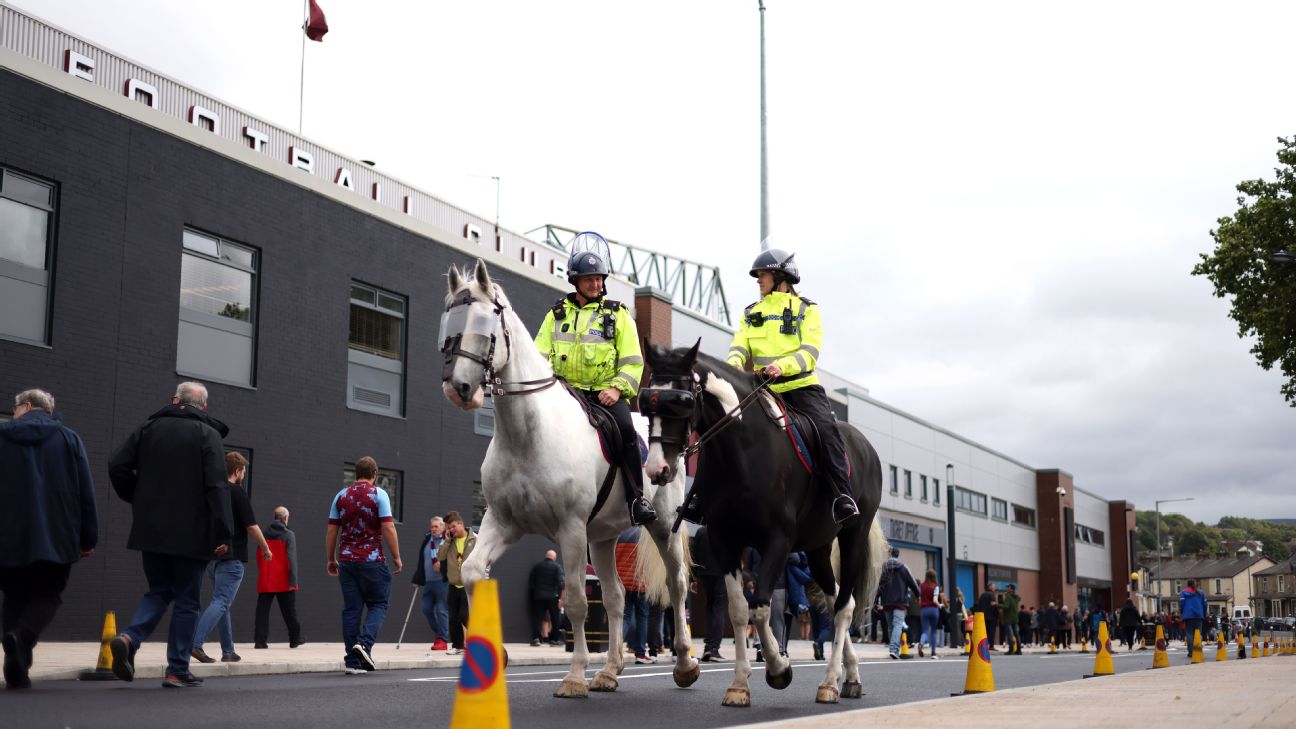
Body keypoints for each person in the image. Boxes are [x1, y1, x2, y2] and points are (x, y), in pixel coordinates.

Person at [108, 381, 234, 688]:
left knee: (159, 590)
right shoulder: (208, 434)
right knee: (188, 600)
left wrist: (138, 498)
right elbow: (217, 486)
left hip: (151, 529)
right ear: (203, 407)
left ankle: (129, 636)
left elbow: (117, 466)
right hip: (192, 533)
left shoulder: (147, 429)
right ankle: (177, 669)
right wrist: (224, 532)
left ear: (174, 400)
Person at [721, 249, 857, 524]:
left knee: (826, 432)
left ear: (780, 276)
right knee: (722, 426)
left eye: (763, 275)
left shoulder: (808, 310)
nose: (758, 281)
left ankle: (842, 496)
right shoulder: (751, 312)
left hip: (800, 388)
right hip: (762, 390)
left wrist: (782, 366)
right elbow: (739, 345)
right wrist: (733, 365)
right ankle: (703, 497)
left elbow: (809, 351)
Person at [533, 232, 655, 526]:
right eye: (590, 279)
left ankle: (637, 499)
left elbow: (633, 361)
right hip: (565, 395)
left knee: (626, 430)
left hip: (604, 395)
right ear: (575, 281)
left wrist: (617, 388)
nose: (597, 284)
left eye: (600, 278)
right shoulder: (556, 315)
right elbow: (539, 357)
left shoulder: (618, 315)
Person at [0, 388, 97, 690]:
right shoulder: (69, 439)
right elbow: (85, 492)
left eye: (15, 407)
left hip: (8, 534)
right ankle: (22, 638)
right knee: (48, 594)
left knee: (14, 595)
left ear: (26, 406)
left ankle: (17, 669)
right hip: (56, 535)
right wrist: (88, 537)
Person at [191, 451, 271, 664]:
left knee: (222, 602)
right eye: (243, 471)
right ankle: (195, 643)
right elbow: (251, 526)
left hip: (212, 559)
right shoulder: (237, 492)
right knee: (221, 601)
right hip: (231, 559)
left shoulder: (213, 492)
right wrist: (265, 547)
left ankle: (228, 650)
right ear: (237, 471)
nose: (244, 474)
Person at [326, 456, 402, 675]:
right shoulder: (379, 494)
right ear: (374, 474)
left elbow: (332, 530)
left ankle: (353, 661)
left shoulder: (340, 496)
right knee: (379, 604)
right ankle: (365, 644)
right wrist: (396, 556)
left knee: (351, 610)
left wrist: (331, 559)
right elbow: (388, 527)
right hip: (372, 561)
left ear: (355, 473)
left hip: (347, 562)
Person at [254, 506, 302, 649]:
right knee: (289, 611)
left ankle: (260, 641)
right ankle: (295, 640)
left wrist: (264, 571)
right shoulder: (288, 534)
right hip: (283, 580)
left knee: (262, 612)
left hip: (266, 578)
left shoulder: (263, 534)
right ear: (285, 518)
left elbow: (259, 555)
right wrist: (293, 581)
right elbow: (291, 559)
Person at [437, 511, 476, 656]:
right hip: (453, 583)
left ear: (461, 523)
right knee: (453, 617)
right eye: (449, 528)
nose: (451, 530)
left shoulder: (474, 539)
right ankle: (457, 646)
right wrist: (447, 541)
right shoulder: (449, 541)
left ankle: (479, 638)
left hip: (469, 584)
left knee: (463, 615)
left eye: (453, 526)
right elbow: (440, 556)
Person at [411, 516, 449, 651]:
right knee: (426, 609)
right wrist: (417, 579)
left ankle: (443, 640)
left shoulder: (447, 541)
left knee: (441, 610)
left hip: (442, 581)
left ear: (443, 527)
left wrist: (442, 564)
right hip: (428, 582)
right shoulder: (427, 541)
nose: (433, 529)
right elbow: (421, 562)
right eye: (432, 527)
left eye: (436, 527)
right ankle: (440, 633)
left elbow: (454, 559)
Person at [692, 527, 728, 662]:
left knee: (709, 607)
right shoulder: (724, 531)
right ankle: (714, 649)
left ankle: (707, 647)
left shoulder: (701, 531)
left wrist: (693, 577)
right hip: (721, 573)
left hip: (704, 573)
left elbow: (694, 554)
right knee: (719, 609)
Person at [878, 548, 921, 659]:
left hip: (886, 601)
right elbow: (913, 583)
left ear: (890, 554)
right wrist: (918, 595)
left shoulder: (884, 568)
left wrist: (875, 601)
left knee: (890, 626)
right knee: (898, 624)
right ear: (897, 555)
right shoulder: (903, 568)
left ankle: (894, 651)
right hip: (900, 602)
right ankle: (893, 649)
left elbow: (879, 586)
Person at [527, 549, 564, 647]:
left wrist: (536, 593)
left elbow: (532, 583)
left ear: (546, 556)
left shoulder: (537, 566)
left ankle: (535, 639)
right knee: (555, 618)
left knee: (537, 618)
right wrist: (561, 598)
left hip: (539, 596)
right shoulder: (557, 567)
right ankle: (554, 640)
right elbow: (561, 584)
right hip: (553, 597)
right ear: (554, 558)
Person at [1178, 579, 1207, 660]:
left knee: (1189, 634)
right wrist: (1204, 614)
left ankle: (1191, 652)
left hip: (1188, 616)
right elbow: (1205, 605)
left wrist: (1182, 612)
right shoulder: (1201, 593)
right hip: (1199, 615)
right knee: (1198, 634)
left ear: (1187, 584)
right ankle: (1198, 649)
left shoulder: (1184, 593)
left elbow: (1182, 604)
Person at [974, 583, 998, 651]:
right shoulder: (992, 595)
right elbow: (993, 605)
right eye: (994, 587)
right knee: (992, 631)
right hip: (992, 616)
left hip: (983, 616)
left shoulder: (982, 594)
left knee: (985, 631)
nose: (995, 588)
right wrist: (997, 615)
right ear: (990, 587)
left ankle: (984, 645)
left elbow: (979, 605)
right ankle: (991, 645)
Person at [999, 584, 1021, 654]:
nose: (1007, 588)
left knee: (1009, 634)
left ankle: (1011, 650)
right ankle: (1019, 650)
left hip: (1008, 618)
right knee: (1016, 635)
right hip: (1015, 618)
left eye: (1008, 587)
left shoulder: (1008, 597)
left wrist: (997, 604)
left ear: (1011, 589)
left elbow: (1006, 606)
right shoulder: (1016, 597)